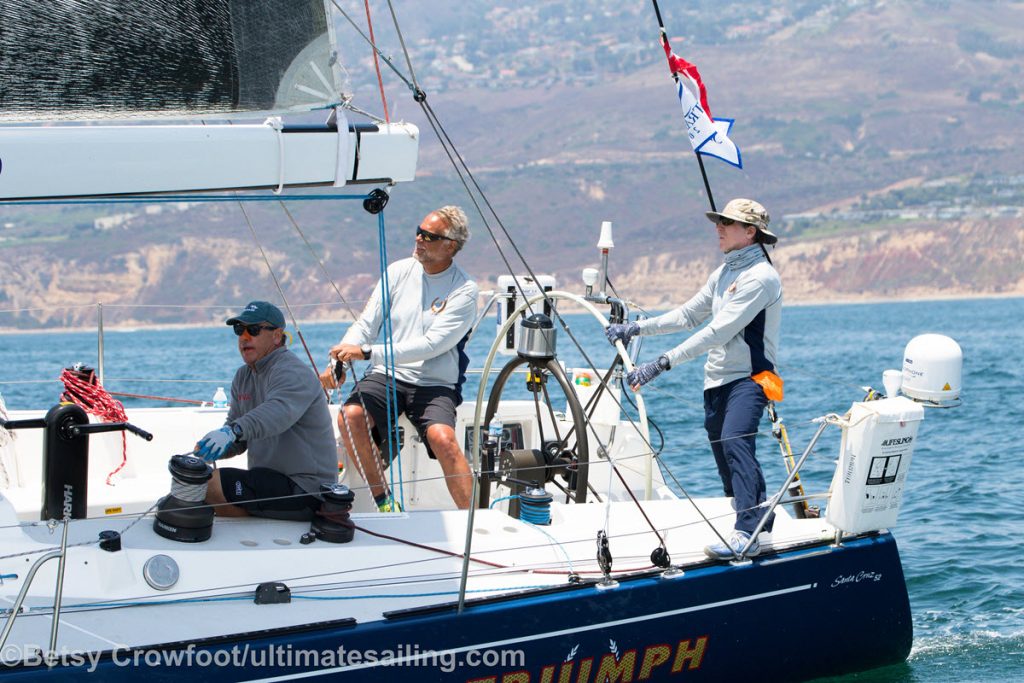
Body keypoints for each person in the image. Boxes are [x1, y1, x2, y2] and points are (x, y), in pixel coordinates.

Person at [607, 198, 783, 559]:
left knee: (735, 441)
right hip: (717, 379)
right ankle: (758, 514)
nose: (718, 228)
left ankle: (746, 531)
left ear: (750, 232)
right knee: (724, 452)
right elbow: (688, 315)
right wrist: (637, 328)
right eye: (718, 222)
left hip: (756, 378)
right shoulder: (724, 273)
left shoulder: (761, 277)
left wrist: (661, 363)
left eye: (727, 223)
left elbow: (718, 331)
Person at [320, 206, 479, 511]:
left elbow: (431, 344)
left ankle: (474, 519)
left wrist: (368, 353)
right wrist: (339, 363)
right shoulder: (398, 272)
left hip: (434, 382)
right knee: (350, 416)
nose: (419, 239)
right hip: (387, 376)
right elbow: (366, 324)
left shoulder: (465, 290)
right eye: (419, 232)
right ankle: (384, 501)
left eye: (429, 236)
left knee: (444, 439)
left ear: (450, 246)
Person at [195, 301, 338, 521]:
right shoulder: (243, 377)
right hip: (269, 481)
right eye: (239, 330)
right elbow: (240, 439)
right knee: (194, 479)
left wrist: (232, 431)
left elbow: (276, 414)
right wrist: (214, 448)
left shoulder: (292, 371)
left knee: (209, 484)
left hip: (309, 490)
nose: (244, 337)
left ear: (277, 336)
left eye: (253, 330)